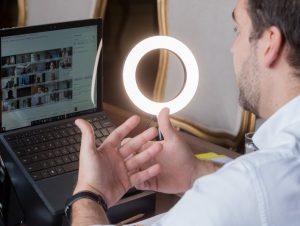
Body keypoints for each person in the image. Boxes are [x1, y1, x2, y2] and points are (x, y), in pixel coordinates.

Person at [69, 0, 300, 225]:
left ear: (270, 43)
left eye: (237, 30)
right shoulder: (272, 173)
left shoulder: (244, 187)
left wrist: (89, 194)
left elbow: (252, 189)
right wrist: (195, 172)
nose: (232, 48)